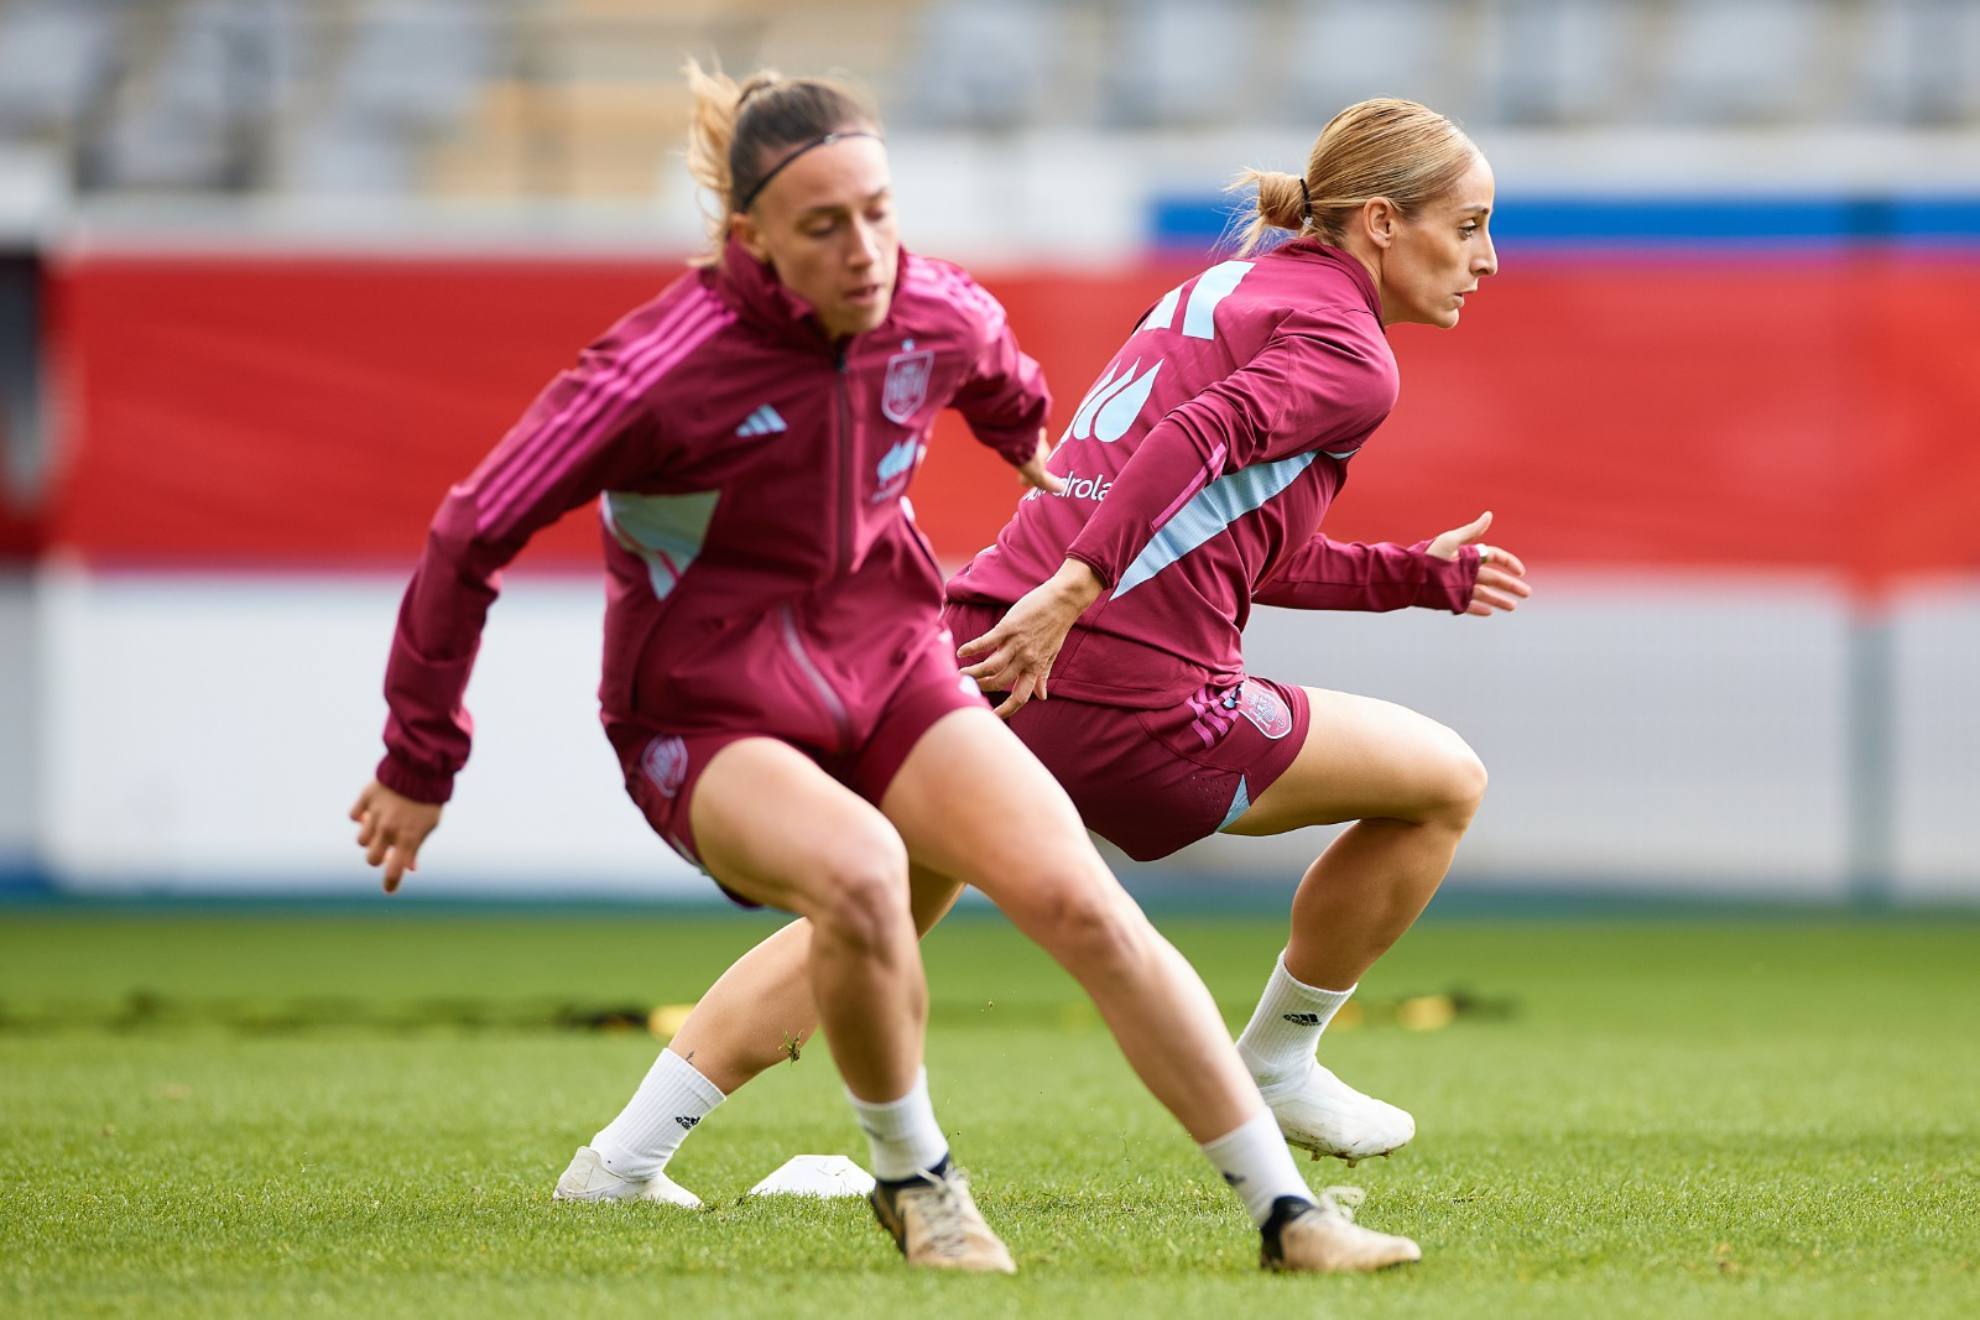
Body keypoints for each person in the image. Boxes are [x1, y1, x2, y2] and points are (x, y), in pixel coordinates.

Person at [350, 64, 1418, 1276]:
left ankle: (1291, 1221)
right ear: (750, 239)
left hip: (893, 667)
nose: (866, 251)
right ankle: (921, 1188)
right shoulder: (654, 371)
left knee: (1078, 898)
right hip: (704, 713)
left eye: (880, 211)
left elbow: (1007, 382)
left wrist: (1026, 447)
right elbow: (468, 531)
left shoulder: (933, 308)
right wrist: (418, 757)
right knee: (863, 879)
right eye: (824, 226)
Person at [568, 94, 1517, 1228]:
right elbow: (1197, 439)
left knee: (882, 903)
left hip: (984, 647)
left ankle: (623, 1159)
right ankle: (1279, 1059)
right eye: (1467, 227)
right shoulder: (1352, 355)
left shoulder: (1222, 289)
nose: (1488, 260)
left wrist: (1417, 576)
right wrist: (1082, 586)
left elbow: (1219, 538)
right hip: (1131, 690)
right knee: (1445, 780)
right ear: (1377, 220)